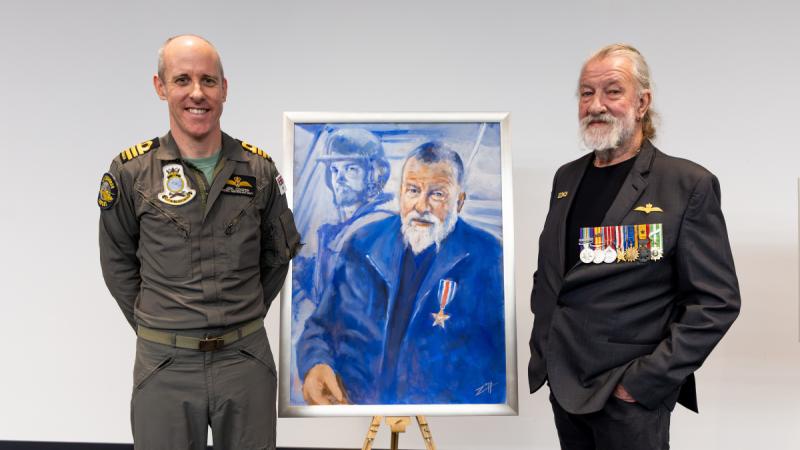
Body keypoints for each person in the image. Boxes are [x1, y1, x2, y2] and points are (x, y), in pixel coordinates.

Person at [528, 43, 741, 449]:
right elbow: (555, 272)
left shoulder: (687, 184)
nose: (596, 104)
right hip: (564, 384)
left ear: (642, 102)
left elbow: (717, 302)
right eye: (586, 93)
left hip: (626, 395)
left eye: (612, 91)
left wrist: (643, 382)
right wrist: (545, 352)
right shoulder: (566, 179)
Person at [98, 34, 301, 450]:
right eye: (182, 80)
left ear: (224, 89)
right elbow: (117, 261)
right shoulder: (132, 173)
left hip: (244, 361)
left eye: (209, 81)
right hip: (166, 366)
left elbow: (277, 256)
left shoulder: (259, 170)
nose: (197, 93)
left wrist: (242, 314)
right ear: (161, 87)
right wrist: (161, 324)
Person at [297, 142, 506, 405]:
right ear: (400, 193)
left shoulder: (489, 257)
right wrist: (315, 363)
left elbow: (499, 363)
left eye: (437, 194)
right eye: (413, 190)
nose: (421, 205)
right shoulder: (361, 245)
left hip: (447, 419)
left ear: (459, 201)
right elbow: (320, 327)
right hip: (356, 406)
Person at [293, 127, 393, 307]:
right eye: (334, 170)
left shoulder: (379, 228)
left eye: (351, 169)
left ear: (374, 174)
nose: (339, 179)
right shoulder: (336, 229)